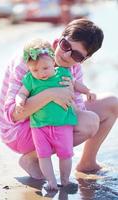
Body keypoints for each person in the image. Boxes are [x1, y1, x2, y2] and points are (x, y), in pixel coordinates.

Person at [0, 19, 118, 182]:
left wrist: (70, 95)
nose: (67, 55)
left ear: (85, 58)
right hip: (17, 130)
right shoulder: (31, 59)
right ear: (59, 38)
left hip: (46, 119)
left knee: (111, 104)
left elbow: (78, 113)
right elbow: (12, 115)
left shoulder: (73, 69)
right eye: (66, 46)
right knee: (88, 122)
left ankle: (87, 163)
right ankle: (32, 157)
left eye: (76, 55)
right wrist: (51, 93)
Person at [15, 38, 96, 190]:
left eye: (45, 68)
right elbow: (21, 93)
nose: (41, 73)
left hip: (63, 124)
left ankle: (65, 180)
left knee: (65, 154)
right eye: (35, 70)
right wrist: (19, 101)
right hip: (39, 126)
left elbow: (76, 84)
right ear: (29, 69)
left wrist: (88, 91)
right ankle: (51, 182)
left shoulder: (62, 73)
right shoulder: (30, 79)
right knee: (43, 155)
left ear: (53, 61)